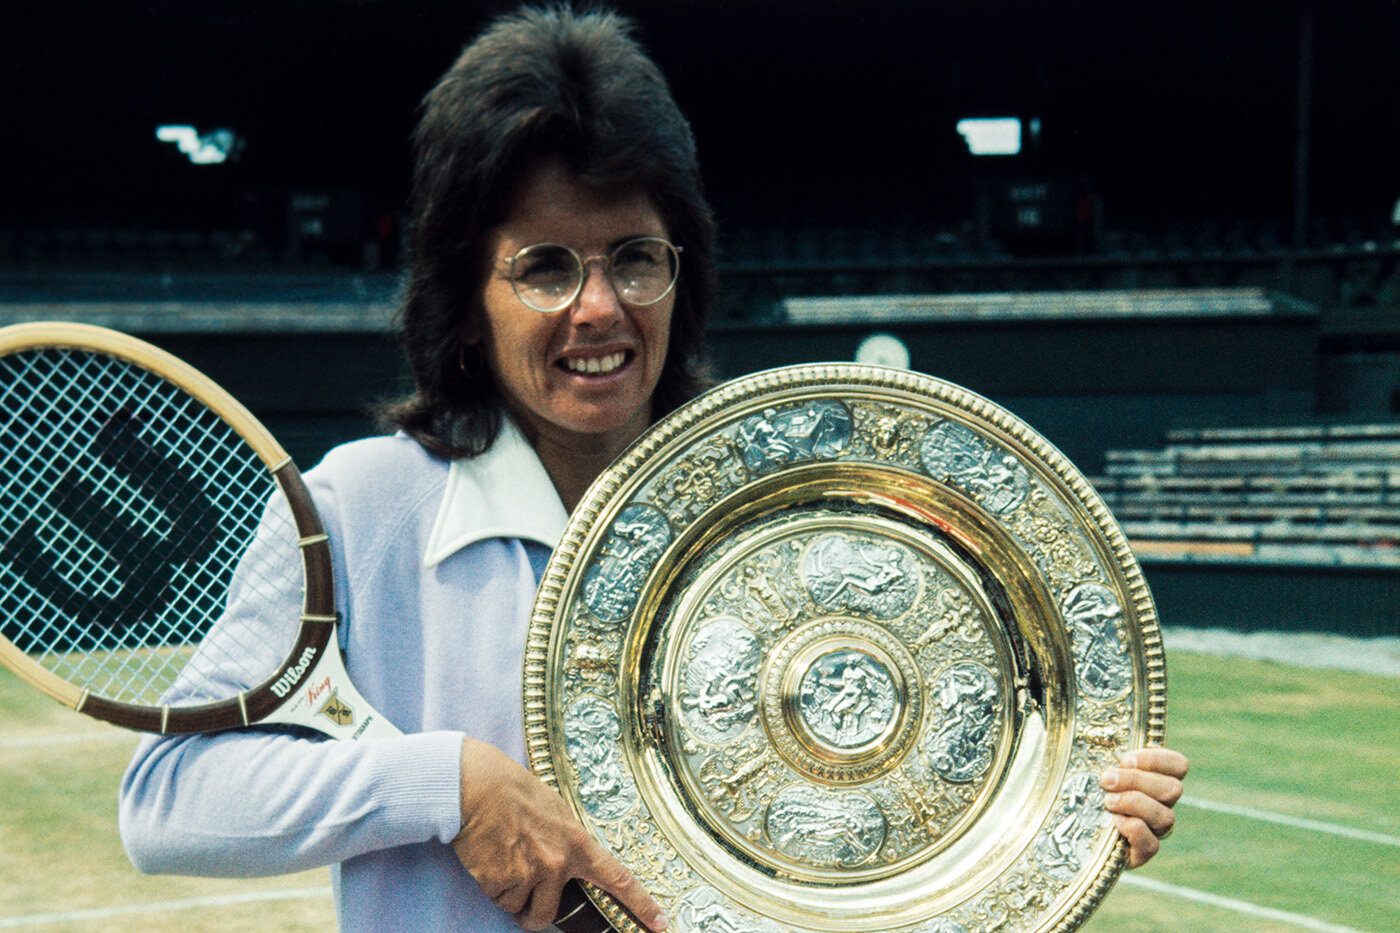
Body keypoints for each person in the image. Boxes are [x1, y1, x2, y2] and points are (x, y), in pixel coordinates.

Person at [119, 6, 1188, 933]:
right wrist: (441, 783)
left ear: (682, 269)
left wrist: (1062, 817)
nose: (600, 308)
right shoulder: (359, 508)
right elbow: (166, 801)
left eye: (634, 256)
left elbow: (870, 826)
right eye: (544, 267)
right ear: (464, 293)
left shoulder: (777, 510)